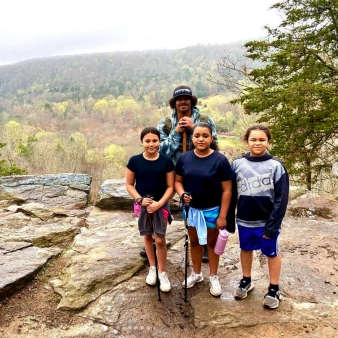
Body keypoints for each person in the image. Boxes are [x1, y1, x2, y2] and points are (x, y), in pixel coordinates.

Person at [156, 85, 218, 263]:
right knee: (161, 205)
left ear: (192, 100)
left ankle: (203, 244)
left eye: (186, 98)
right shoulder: (165, 123)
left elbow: (214, 146)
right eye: (178, 99)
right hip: (170, 171)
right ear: (174, 102)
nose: (182, 101)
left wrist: (193, 130)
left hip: (197, 171)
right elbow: (161, 151)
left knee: (200, 205)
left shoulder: (205, 120)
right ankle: (158, 238)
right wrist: (176, 133)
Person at [231, 124, 289, 309]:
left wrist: (273, 224)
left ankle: (274, 288)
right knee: (246, 249)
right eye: (253, 139)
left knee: (271, 252)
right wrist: (229, 218)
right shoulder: (237, 164)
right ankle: (246, 280)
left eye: (262, 139)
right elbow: (231, 193)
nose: (257, 143)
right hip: (245, 219)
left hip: (267, 221)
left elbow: (282, 198)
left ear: (268, 142)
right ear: (246, 141)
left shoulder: (276, 166)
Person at [174, 122, 234, 296]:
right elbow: (178, 181)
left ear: (211, 138)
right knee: (194, 242)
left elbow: (227, 189)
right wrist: (182, 193)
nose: (201, 139)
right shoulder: (184, 158)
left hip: (212, 210)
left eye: (205, 136)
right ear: (192, 138)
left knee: (212, 243)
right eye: (197, 136)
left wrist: (223, 215)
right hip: (191, 209)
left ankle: (213, 276)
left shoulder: (220, 160)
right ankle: (197, 273)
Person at [126, 127, 174, 292]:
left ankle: (162, 271)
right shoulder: (134, 161)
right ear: (142, 142)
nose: (151, 144)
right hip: (143, 205)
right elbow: (129, 184)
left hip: (161, 204)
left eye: (155, 140)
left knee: (160, 238)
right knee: (147, 235)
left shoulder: (166, 161)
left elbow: (170, 187)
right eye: (147, 141)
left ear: (159, 142)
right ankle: (152, 268)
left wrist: (159, 203)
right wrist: (140, 200)